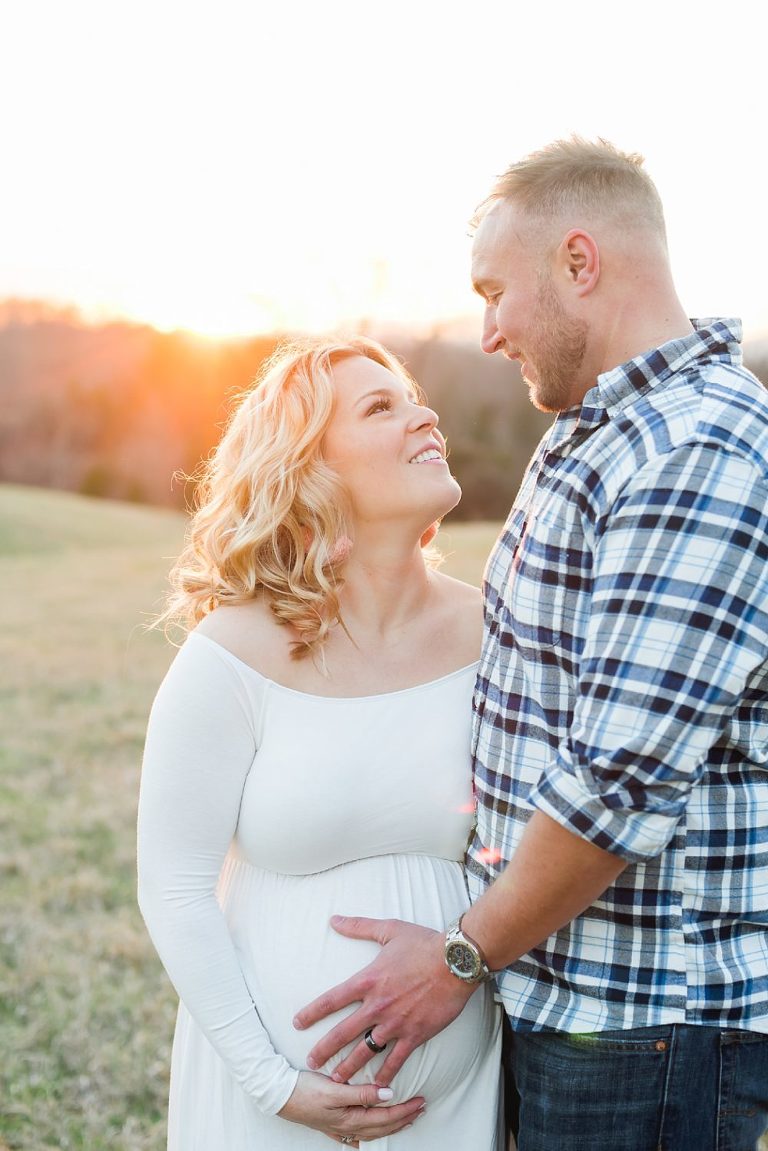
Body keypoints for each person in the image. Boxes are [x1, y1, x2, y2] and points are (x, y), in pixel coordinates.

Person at [292, 139, 768, 1150]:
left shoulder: (700, 447)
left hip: (643, 1022)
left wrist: (458, 956)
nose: (489, 328)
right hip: (564, 993)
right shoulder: (595, 427)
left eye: (496, 290)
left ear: (580, 262)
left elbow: (615, 781)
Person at [136, 335, 503, 1150]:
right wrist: (273, 1084)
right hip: (271, 1107)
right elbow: (172, 885)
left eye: (414, 397)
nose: (426, 414)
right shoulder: (233, 652)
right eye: (383, 407)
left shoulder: (490, 630)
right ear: (312, 469)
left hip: (453, 1106)